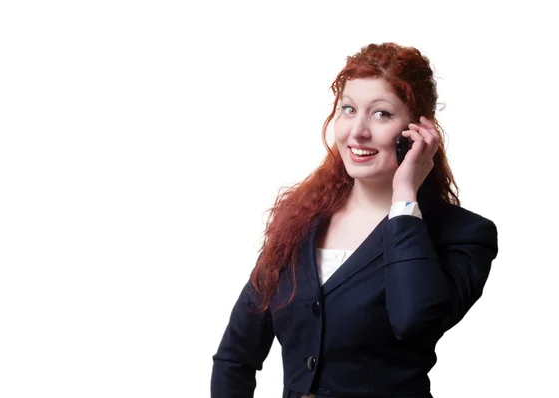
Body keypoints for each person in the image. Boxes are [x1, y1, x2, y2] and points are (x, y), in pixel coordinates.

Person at [210, 42, 498, 398]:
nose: (357, 131)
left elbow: (413, 321)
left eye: (381, 114)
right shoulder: (298, 223)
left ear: (418, 132)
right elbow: (235, 358)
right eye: (348, 109)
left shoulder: (464, 234)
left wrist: (405, 196)